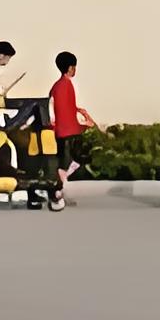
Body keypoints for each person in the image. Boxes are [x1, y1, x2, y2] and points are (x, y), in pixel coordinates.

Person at [48, 49, 92, 209]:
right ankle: (57, 190)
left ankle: (59, 191)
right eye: (74, 67)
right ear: (70, 68)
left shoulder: (58, 86)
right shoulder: (64, 86)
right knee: (73, 160)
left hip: (62, 131)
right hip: (68, 131)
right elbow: (66, 111)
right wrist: (82, 125)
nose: (75, 70)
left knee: (66, 162)